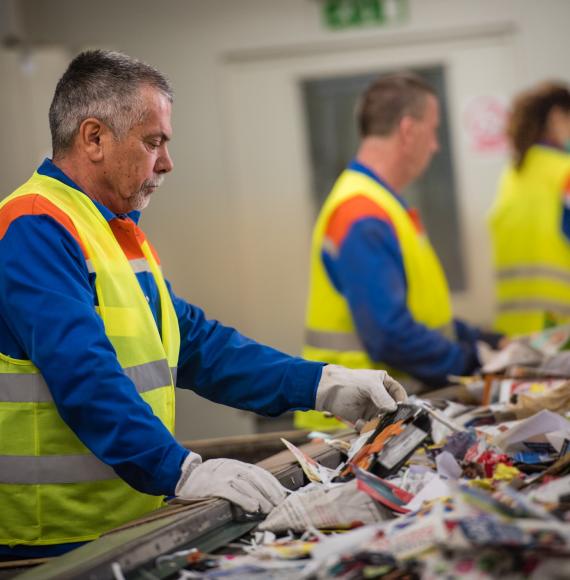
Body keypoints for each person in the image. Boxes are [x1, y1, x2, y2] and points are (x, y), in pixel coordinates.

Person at [0, 50, 407, 558]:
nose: (167, 162)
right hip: (51, 544)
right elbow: (82, 374)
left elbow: (196, 344)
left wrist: (319, 383)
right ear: (95, 138)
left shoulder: (115, 231)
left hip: (121, 528)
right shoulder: (34, 227)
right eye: (154, 142)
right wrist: (179, 469)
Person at [298, 72, 501, 430]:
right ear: (408, 130)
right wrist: (472, 361)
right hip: (354, 427)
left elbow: (414, 312)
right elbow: (390, 336)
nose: (435, 145)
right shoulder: (362, 212)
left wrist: (479, 338)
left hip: (374, 418)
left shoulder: (379, 204)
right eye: (433, 130)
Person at [488, 81, 570, 337]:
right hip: (561, 331)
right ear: (556, 117)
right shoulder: (564, 171)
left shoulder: (512, 175)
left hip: (514, 334)